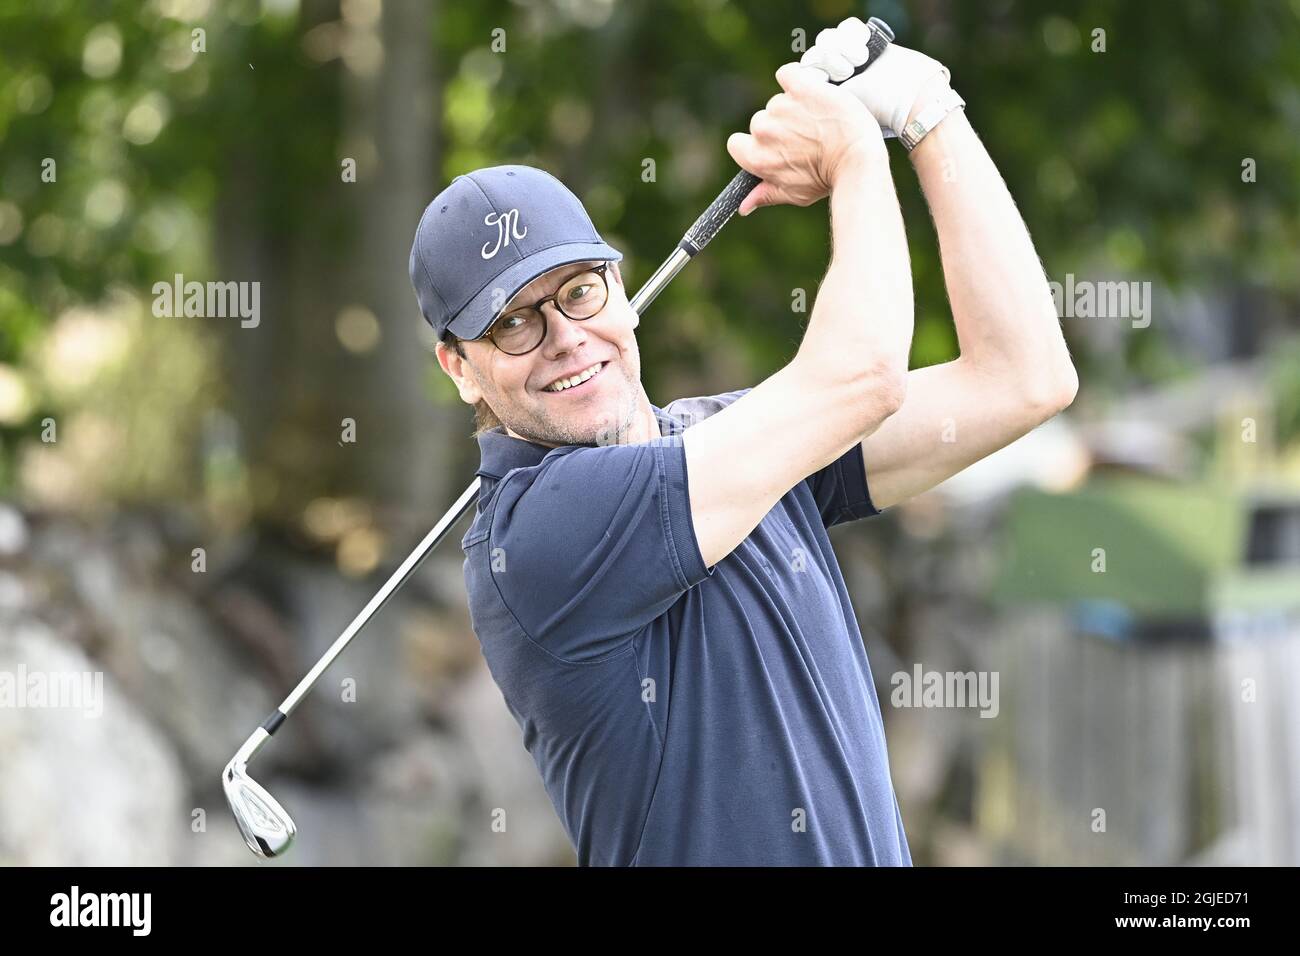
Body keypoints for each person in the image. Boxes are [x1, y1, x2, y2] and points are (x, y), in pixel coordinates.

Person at [407, 21, 1077, 866]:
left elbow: (1023, 377)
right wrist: (855, 157)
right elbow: (864, 376)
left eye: (579, 290)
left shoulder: (738, 441)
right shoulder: (535, 535)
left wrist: (926, 111)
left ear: (619, 285)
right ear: (459, 368)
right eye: (513, 323)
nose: (566, 337)